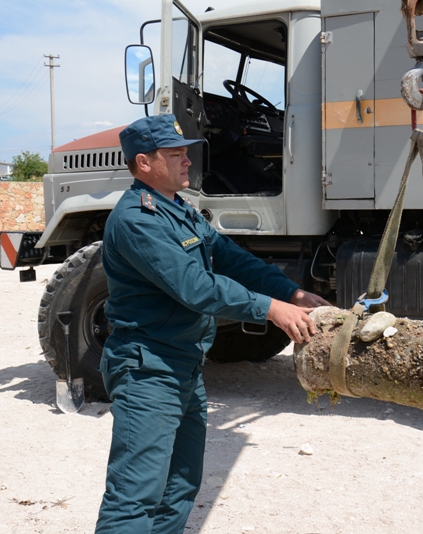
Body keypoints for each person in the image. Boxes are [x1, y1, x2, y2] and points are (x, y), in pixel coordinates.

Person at [95, 114, 329, 533]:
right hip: (148, 369)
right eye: (175, 154)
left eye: (186, 152)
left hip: (184, 364)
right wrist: (270, 309)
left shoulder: (177, 210)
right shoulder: (136, 220)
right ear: (145, 163)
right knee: (135, 496)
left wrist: (289, 291)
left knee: (182, 483)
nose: (187, 161)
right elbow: (196, 287)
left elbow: (230, 256)